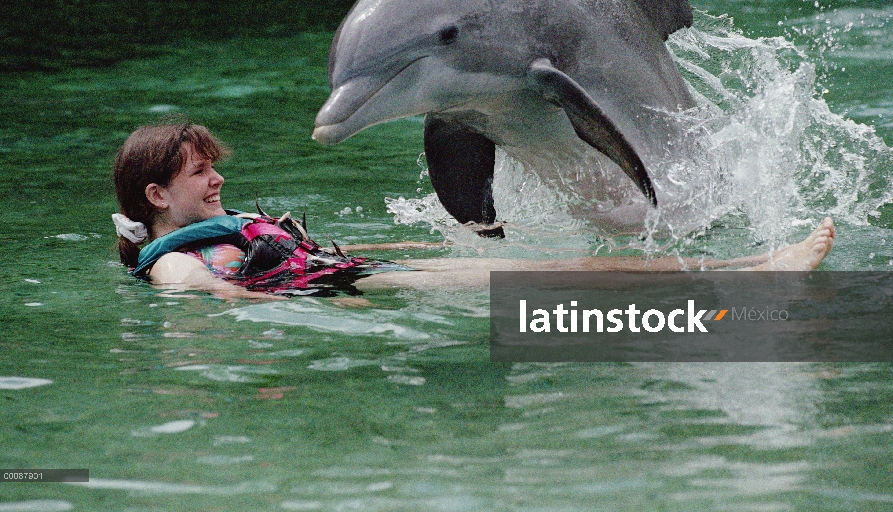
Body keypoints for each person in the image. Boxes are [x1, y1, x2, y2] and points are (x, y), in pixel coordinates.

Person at [112, 122, 836, 301]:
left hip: (364, 274)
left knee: (548, 268)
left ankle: (749, 268)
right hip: (361, 291)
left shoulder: (222, 227)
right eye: (202, 172)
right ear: (155, 196)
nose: (217, 180)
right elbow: (205, 295)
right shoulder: (174, 260)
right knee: (557, 274)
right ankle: (749, 275)